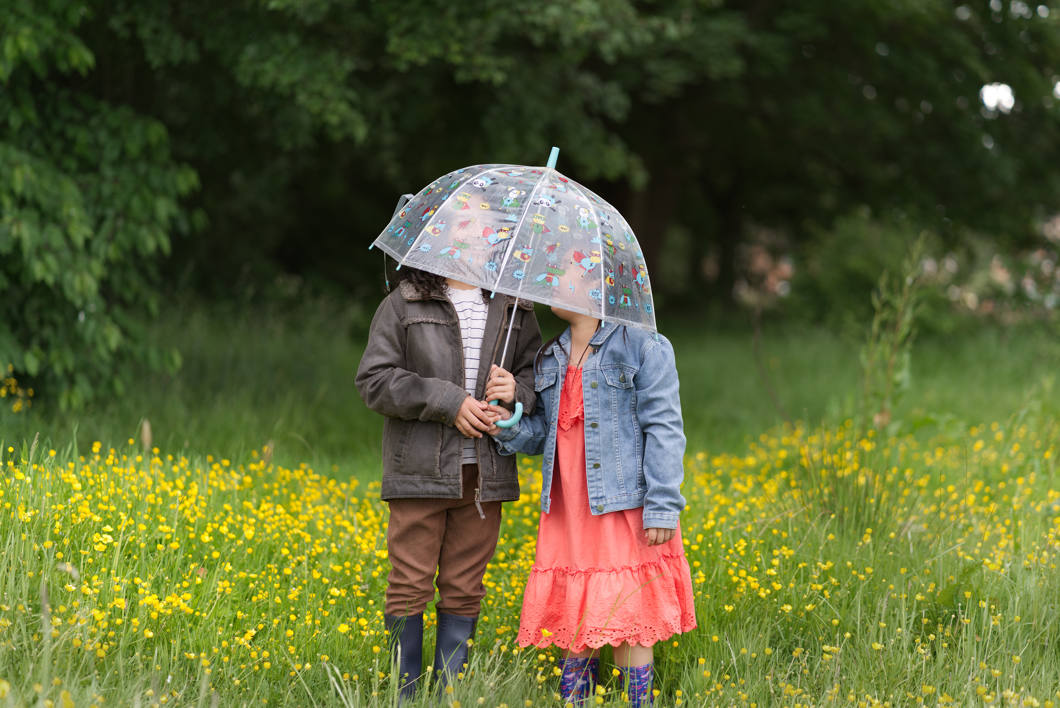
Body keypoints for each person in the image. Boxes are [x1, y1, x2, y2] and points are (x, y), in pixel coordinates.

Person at [485, 307, 696, 707]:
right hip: (569, 508)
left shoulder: (643, 347)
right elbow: (543, 435)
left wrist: (663, 505)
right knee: (574, 614)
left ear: (598, 285)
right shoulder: (550, 356)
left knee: (629, 616)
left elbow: (665, 428)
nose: (556, 282)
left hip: (621, 507)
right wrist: (507, 422)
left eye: (568, 274)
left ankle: (637, 702)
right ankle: (577, 700)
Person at [355, 267, 541, 700]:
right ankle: (405, 693)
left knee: (465, 585)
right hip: (419, 473)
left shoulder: (514, 309)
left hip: (484, 476)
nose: (473, 239)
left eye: (483, 230)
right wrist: (446, 400)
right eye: (464, 228)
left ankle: (448, 694)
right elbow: (374, 380)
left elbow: (537, 378)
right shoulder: (405, 303)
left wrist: (517, 392)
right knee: (410, 581)